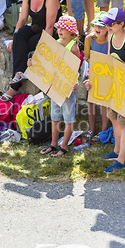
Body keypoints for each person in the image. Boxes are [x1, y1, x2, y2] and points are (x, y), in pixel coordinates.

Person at [85, 8, 125, 172]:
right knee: (114, 119)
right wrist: (95, 80)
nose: (107, 25)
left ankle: (122, 160)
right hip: (114, 84)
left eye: (111, 23)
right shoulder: (111, 36)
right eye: (107, 23)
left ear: (121, 24)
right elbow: (109, 63)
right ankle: (116, 150)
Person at [2, 0, 60, 101]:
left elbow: (50, 26)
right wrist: (13, 40)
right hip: (35, 27)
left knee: (26, 45)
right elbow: (22, 19)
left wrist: (44, 47)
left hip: (51, 32)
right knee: (18, 35)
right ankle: (19, 74)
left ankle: (13, 87)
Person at [38, 16, 81, 157]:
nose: (60, 30)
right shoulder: (55, 43)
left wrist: (74, 83)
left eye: (64, 28)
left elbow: (76, 69)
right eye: (59, 28)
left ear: (71, 31)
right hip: (55, 86)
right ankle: (54, 143)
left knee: (68, 118)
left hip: (67, 87)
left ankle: (64, 147)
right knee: (55, 116)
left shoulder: (73, 48)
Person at [83, 11, 110, 139]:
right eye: (96, 26)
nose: (98, 29)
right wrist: (95, 65)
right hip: (93, 72)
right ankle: (92, 128)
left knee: (104, 102)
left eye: (102, 26)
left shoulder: (110, 39)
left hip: (106, 73)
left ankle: (104, 130)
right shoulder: (89, 39)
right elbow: (86, 57)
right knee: (91, 101)